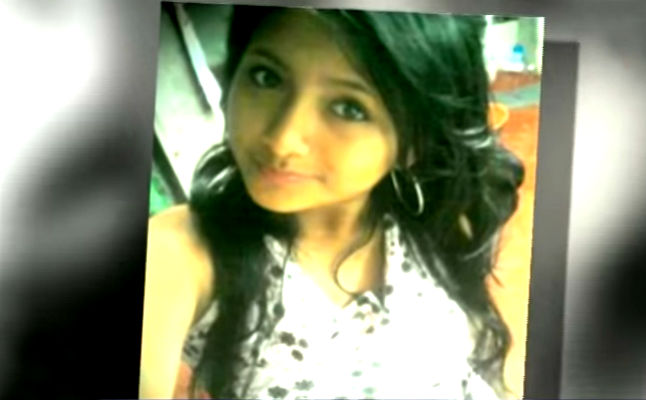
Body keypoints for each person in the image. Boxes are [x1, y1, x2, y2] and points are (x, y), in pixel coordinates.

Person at [140, 5, 524, 400]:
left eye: (349, 108)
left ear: (414, 142)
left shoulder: (434, 218)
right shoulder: (183, 254)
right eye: (266, 77)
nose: (282, 140)